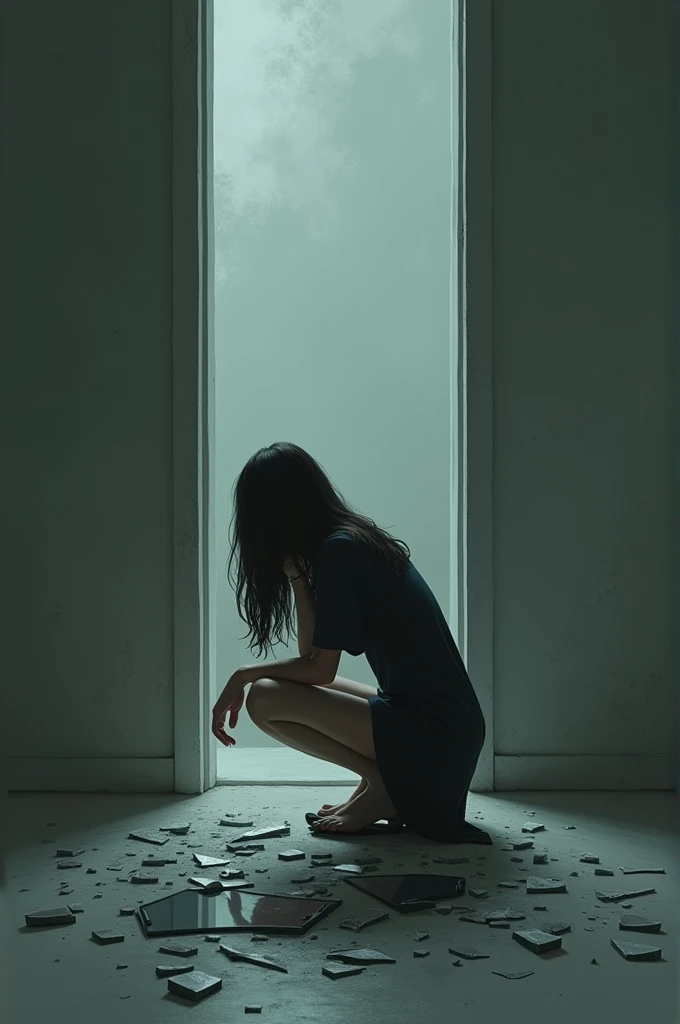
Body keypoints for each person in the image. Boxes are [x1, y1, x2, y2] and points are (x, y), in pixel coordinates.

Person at [211, 442, 490, 843]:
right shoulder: (346, 541)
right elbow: (313, 663)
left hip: (435, 734)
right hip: (447, 726)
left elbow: (321, 670)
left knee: (262, 697)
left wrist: (242, 674)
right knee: (273, 689)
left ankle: (381, 784)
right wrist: (297, 579)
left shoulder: (340, 551)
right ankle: (380, 784)